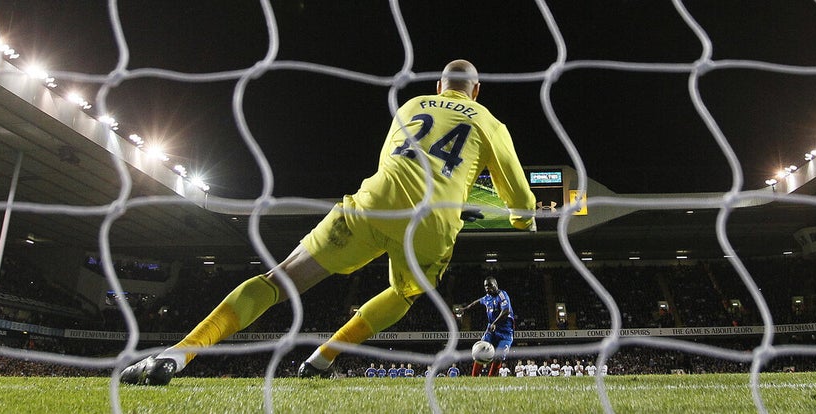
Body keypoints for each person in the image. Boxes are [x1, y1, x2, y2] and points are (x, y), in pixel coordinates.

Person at [119, 59, 536, 385]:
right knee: (403, 294)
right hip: (432, 225)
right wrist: (521, 221)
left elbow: (394, 157)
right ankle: (325, 357)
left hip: (373, 203)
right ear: (476, 91)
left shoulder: (410, 105)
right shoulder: (489, 123)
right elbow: (518, 194)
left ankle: (177, 354)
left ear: (438, 86)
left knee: (277, 281)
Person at [460, 276, 515, 377]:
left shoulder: (502, 295)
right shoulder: (487, 297)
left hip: (506, 332)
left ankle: (491, 378)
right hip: (491, 330)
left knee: (498, 356)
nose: (487, 288)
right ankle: (474, 378)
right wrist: (466, 308)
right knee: (480, 350)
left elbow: (506, 311)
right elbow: (477, 302)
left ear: (496, 285)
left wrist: (495, 323)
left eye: (490, 286)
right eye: (485, 286)